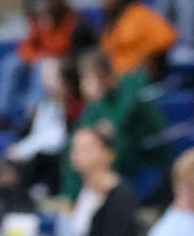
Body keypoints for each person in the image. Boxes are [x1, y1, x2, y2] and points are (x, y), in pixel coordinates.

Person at [0, 0, 92, 125]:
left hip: (59, 63)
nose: (49, 0)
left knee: (42, 64)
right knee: (10, 63)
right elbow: (27, 46)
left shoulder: (73, 19)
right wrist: (33, 54)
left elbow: (62, 47)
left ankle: (31, 115)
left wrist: (40, 54)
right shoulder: (39, 19)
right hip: (38, 57)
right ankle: (1, 114)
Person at [68, 49, 166, 191]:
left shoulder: (131, 90)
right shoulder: (97, 104)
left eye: (87, 78)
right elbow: (83, 133)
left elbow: (115, 129)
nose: (83, 86)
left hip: (144, 165)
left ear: (102, 77)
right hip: (119, 167)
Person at [5, 54, 73, 197]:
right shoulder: (44, 106)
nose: (47, 82)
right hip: (37, 156)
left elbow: (54, 140)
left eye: (51, 76)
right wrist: (20, 149)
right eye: (44, 77)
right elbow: (38, 135)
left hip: (55, 161)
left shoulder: (71, 107)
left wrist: (23, 151)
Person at [64, 124, 139, 236]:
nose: (76, 155)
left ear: (107, 153)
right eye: (75, 149)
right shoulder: (84, 189)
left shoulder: (121, 196)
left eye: (85, 149)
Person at [99, 0, 177, 80]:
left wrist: (144, 56)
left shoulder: (139, 14)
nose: (103, 0)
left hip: (138, 75)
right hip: (115, 79)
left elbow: (167, 37)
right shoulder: (110, 22)